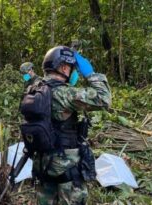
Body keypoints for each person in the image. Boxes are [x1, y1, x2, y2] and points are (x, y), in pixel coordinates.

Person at [33, 46, 111, 205]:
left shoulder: (34, 89)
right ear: (63, 67)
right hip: (65, 165)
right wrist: (91, 74)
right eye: (72, 68)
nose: (73, 72)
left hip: (42, 163)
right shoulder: (64, 93)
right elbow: (104, 99)